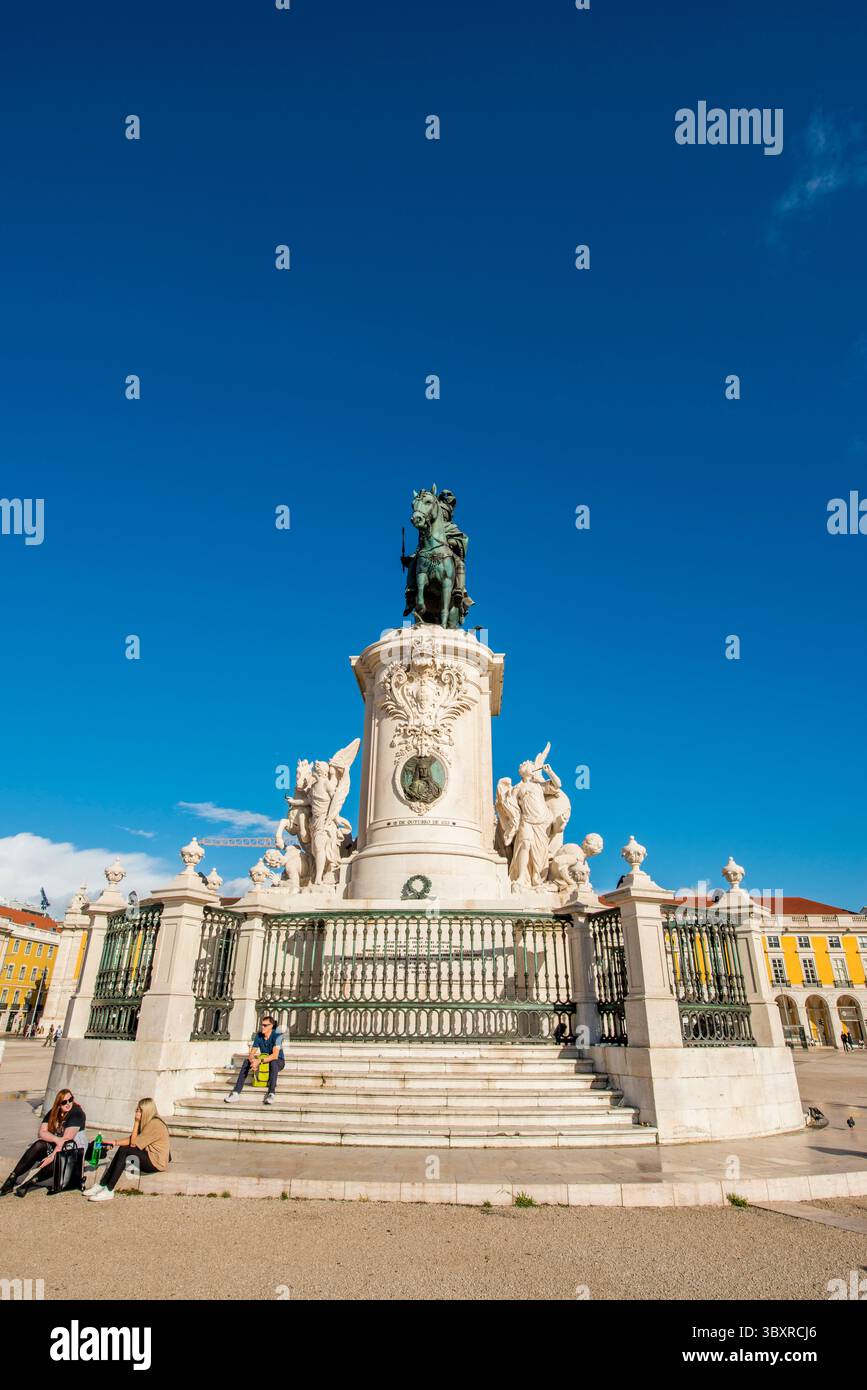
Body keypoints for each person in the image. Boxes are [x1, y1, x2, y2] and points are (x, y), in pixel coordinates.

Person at [0, 1089, 86, 1197]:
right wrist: (55, 1139)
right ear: (58, 1104)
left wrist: (51, 1157)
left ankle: (29, 1183)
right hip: (58, 1145)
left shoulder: (77, 1113)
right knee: (39, 1144)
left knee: (58, 1158)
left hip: (72, 1151)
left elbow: (65, 1141)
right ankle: (11, 1179)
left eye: (70, 1099)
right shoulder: (54, 1112)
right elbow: (41, 1133)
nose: (68, 1103)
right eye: (64, 1102)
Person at [86, 1098, 170, 1203]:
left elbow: (133, 1143)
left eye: (139, 1110)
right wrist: (114, 1142)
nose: (136, 1111)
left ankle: (109, 1189)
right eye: (137, 1109)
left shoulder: (155, 1124)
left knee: (125, 1150)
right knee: (123, 1149)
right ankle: (102, 1184)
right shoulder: (150, 1121)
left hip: (156, 1162)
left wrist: (136, 1122)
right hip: (150, 1156)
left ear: (147, 1111)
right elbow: (132, 1139)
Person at [224, 1015, 285, 1106]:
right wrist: (252, 1061)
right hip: (263, 1059)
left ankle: (271, 1093)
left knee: (273, 1062)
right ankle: (236, 1092)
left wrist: (259, 1061)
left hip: (278, 1061)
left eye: (265, 1025)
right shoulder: (259, 1036)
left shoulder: (277, 1036)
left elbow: (275, 1056)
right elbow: (252, 1053)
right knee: (246, 1062)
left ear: (271, 1026)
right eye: (262, 1025)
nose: (262, 1027)